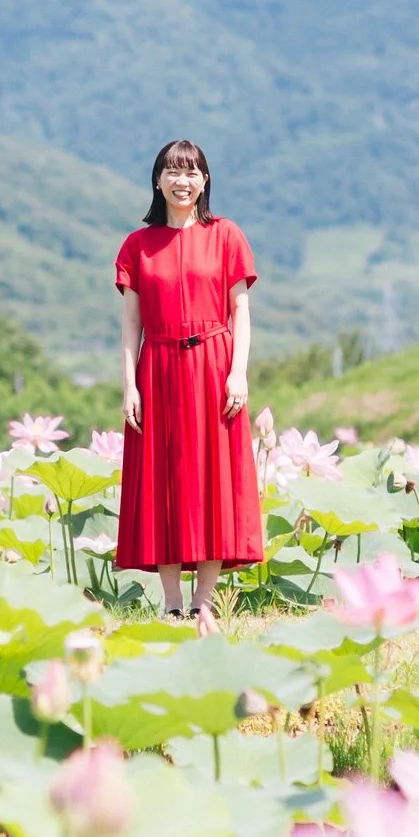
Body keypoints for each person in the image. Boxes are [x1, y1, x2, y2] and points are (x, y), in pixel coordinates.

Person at [113, 139, 264, 628]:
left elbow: (240, 310)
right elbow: (129, 325)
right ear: (158, 180)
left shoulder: (227, 235)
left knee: (213, 477)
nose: (183, 180)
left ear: (205, 182)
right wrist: (129, 385)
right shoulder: (138, 246)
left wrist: (238, 372)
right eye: (173, 172)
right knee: (163, 478)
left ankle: (205, 600)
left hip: (215, 364)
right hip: (156, 366)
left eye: (193, 172)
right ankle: (171, 600)